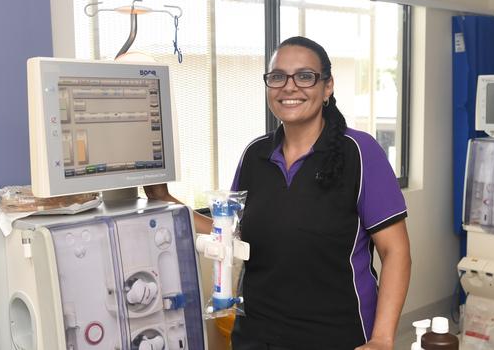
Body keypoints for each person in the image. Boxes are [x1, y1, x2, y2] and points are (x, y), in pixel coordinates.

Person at [146, 36, 410, 350]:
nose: (289, 86)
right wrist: (166, 202)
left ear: (327, 87)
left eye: (305, 76)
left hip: (336, 335)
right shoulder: (254, 154)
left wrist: (382, 339)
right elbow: (229, 234)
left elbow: (396, 253)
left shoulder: (360, 152)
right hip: (256, 335)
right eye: (277, 77)